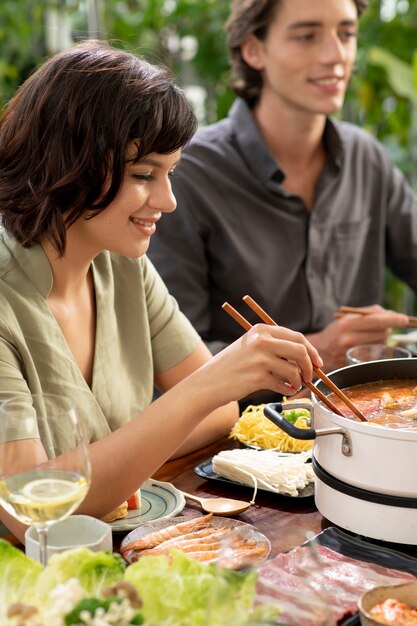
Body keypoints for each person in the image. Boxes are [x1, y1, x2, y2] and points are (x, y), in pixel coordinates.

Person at [0, 40, 322, 542]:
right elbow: (27, 512)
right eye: (144, 175)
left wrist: (103, 465)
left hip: (127, 548)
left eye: (169, 173)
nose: (168, 201)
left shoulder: (122, 265)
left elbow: (218, 413)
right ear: (66, 162)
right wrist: (199, 393)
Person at [149, 0, 417, 378]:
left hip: (365, 417)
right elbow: (171, 360)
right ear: (253, 49)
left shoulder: (365, 159)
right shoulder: (189, 173)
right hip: (243, 430)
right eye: (307, 36)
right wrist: (316, 349)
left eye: (347, 34)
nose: (336, 55)